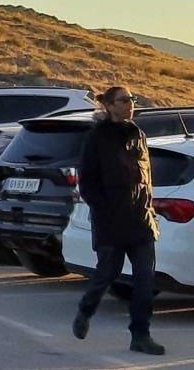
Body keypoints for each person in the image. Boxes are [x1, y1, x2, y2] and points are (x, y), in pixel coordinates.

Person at [72, 87, 165, 356]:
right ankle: (85, 309)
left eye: (132, 100)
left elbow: (145, 179)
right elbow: (87, 183)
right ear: (110, 106)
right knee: (107, 274)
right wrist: (105, 210)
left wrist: (148, 208)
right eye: (124, 101)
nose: (130, 105)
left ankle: (140, 335)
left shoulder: (138, 134)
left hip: (141, 221)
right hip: (111, 222)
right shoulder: (95, 139)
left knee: (145, 282)